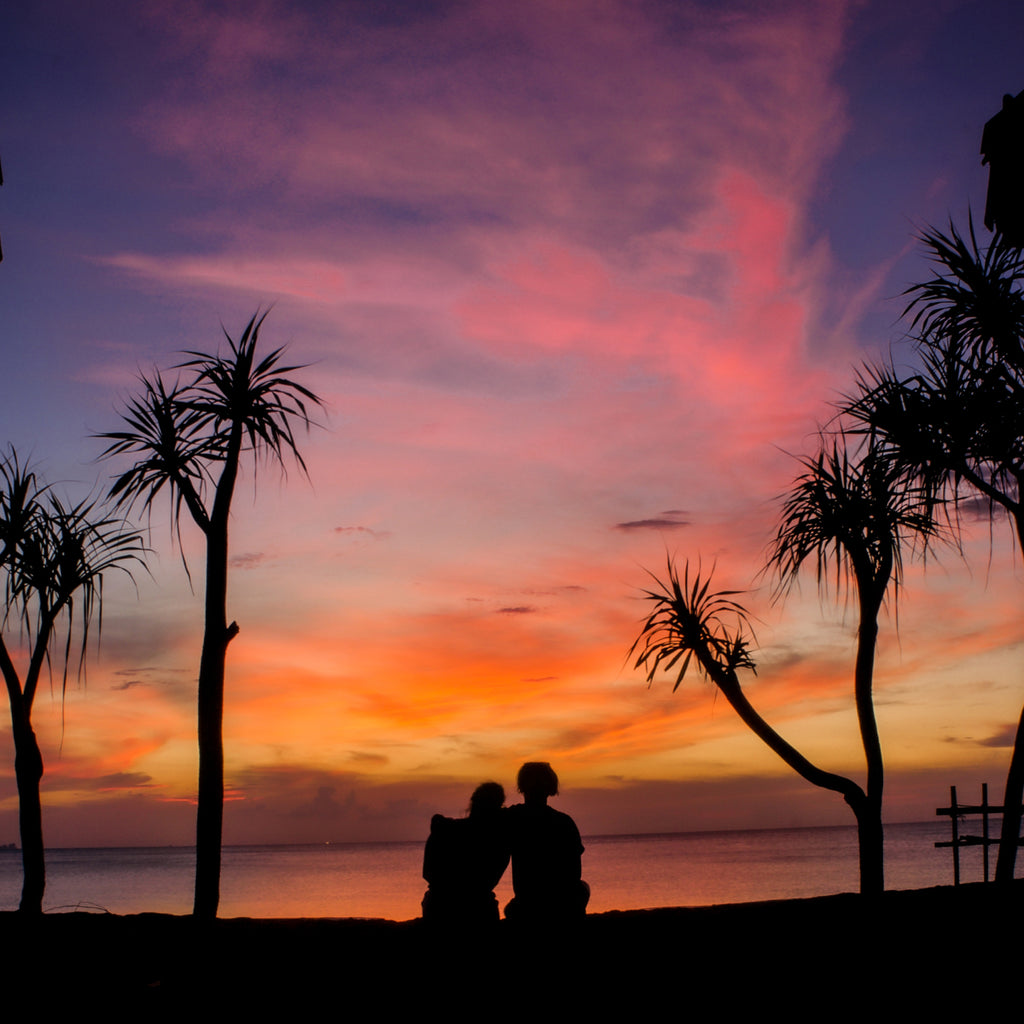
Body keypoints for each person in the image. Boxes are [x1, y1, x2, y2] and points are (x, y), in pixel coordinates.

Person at [504, 762, 589, 923]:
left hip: (528, 903)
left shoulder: (513, 817)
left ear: (522, 787)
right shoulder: (564, 822)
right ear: (550, 787)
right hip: (559, 903)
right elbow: (575, 873)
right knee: (583, 888)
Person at [421, 781, 509, 927]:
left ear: (473, 802)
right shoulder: (498, 841)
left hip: (439, 906)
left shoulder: (443, 829)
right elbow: (489, 880)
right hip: (478, 908)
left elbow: (428, 873)